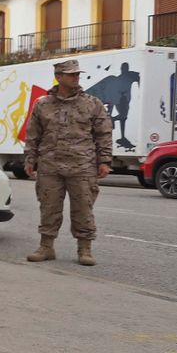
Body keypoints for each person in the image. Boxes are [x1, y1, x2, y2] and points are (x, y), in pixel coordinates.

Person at [24, 59, 111, 266]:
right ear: (59, 77)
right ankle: (46, 247)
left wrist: (105, 160)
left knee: (83, 208)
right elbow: (33, 134)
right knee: (48, 207)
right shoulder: (42, 104)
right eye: (71, 74)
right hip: (50, 165)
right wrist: (30, 160)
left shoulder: (92, 103)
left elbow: (104, 133)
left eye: (77, 74)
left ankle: (85, 249)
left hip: (82, 165)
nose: (76, 77)